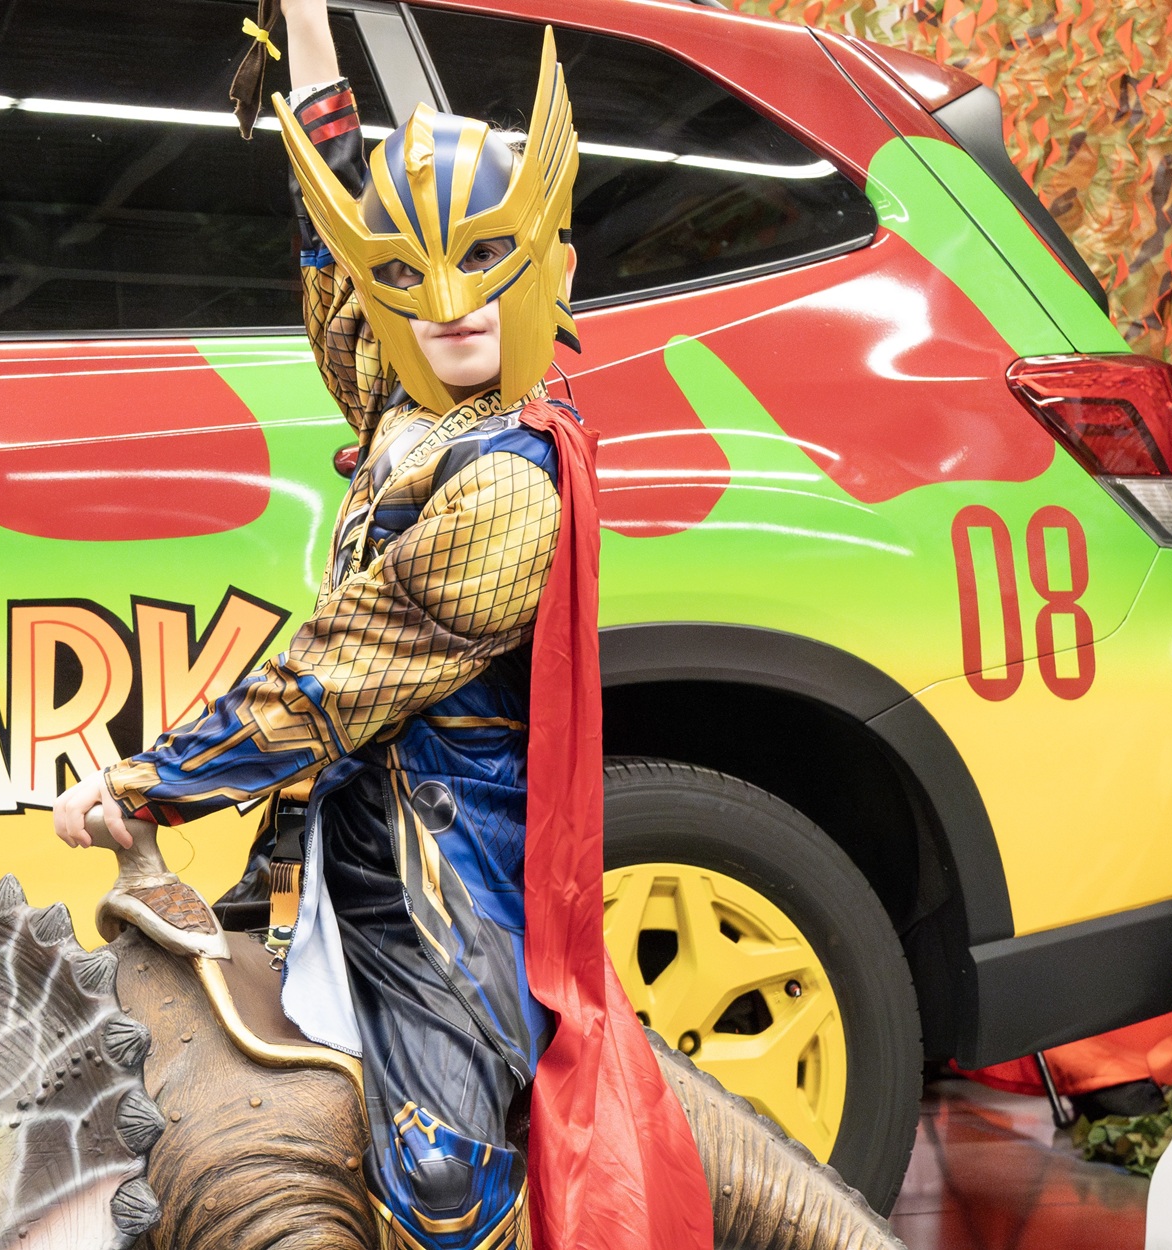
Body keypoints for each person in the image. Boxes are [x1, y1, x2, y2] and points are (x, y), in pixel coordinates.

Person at [51, 5, 712, 1245]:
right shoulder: (412, 410)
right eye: (410, 276)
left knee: (443, 1183)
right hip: (327, 841)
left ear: (549, 270)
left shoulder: (509, 482)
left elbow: (333, 681)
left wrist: (154, 782)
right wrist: (306, 23)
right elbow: (332, 240)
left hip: (440, 884)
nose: (451, 302)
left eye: (487, 263)